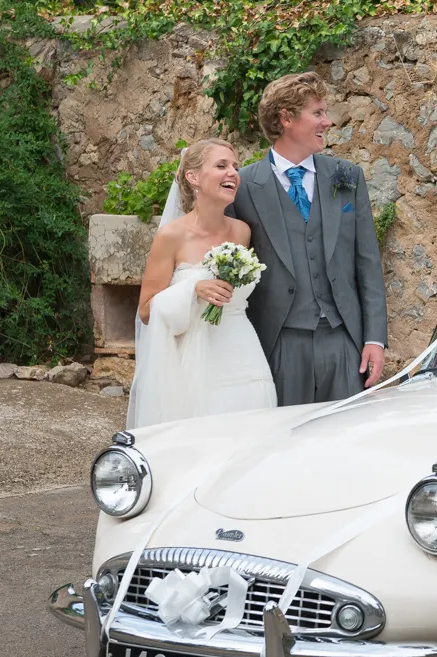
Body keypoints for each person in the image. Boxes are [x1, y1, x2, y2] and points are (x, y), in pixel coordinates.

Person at [228, 71, 388, 405]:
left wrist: (375, 339)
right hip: (278, 342)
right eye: (317, 113)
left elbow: (368, 263)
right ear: (286, 118)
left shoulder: (346, 176)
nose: (327, 122)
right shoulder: (243, 186)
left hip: (343, 341)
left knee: (346, 441)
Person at [126, 138, 277, 429]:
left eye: (235, 166)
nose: (233, 172)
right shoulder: (171, 237)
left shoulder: (242, 232)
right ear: (193, 177)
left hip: (243, 351)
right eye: (221, 165)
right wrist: (192, 290)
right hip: (196, 361)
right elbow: (145, 310)